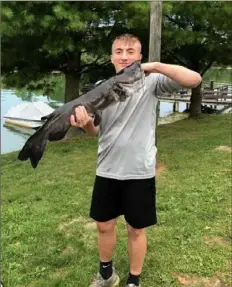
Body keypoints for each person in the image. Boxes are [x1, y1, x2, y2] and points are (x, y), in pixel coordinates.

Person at [70, 34, 201, 287]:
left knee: (136, 229)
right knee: (104, 226)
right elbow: (96, 131)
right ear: (112, 58)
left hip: (139, 171)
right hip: (107, 168)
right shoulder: (102, 87)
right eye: (119, 51)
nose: (124, 56)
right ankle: (107, 275)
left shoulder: (151, 82)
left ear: (139, 57)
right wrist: (86, 125)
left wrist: (153, 66)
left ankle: (134, 280)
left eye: (131, 51)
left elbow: (194, 80)